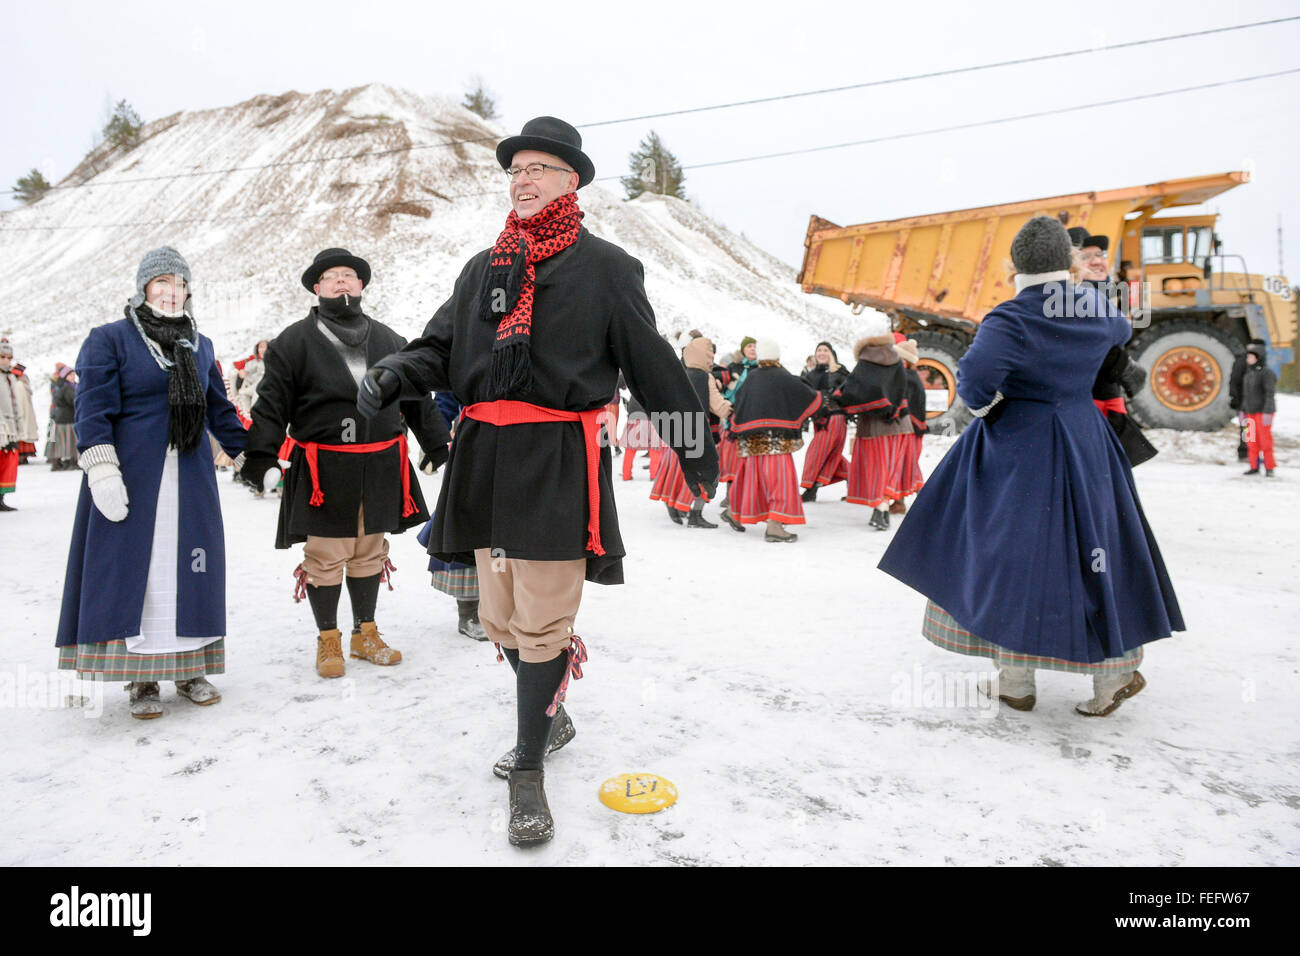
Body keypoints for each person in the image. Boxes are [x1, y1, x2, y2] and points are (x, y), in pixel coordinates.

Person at [357, 115, 717, 847]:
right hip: (484, 456)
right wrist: (397, 373)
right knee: (500, 618)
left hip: (556, 458)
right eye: (514, 169)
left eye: (538, 169)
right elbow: (439, 347)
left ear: (571, 181)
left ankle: (528, 769)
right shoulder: (484, 267)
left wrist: (694, 451)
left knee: (545, 620)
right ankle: (550, 713)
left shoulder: (608, 269)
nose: (521, 179)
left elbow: (652, 368)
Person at [879, 216, 1184, 716]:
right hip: (1087, 441)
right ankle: (1113, 677)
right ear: (1067, 261)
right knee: (1097, 548)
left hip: (1019, 446)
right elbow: (1120, 331)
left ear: (1013, 267)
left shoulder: (1011, 317)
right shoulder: (1093, 305)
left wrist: (995, 407)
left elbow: (975, 384)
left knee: (1009, 553)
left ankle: (1015, 679)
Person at [55, 247, 249, 717]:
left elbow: (219, 410)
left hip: (190, 479)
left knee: (191, 570)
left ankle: (189, 669)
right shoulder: (109, 339)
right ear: (144, 288)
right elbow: (92, 407)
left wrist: (253, 454)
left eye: (179, 283)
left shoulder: (200, 345)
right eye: (161, 282)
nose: (171, 291)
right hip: (131, 477)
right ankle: (139, 678)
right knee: (137, 575)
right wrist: (101, 467)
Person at [238, 249, 449, 679]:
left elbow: (416, 397)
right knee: (327, 554)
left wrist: (436, 443)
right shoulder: (292, 342)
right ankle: (328, 638)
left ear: (362, 286)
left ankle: (365, 634)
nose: (341, 282)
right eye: (332, 277)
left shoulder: (391, 340)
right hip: (323, 468)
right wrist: (260, 456)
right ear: (317, 288)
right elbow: (272, 403)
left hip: (382, 463)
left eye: (349, 276)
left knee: (371, 551)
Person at [721, 339, 822, 542]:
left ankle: (733, 512)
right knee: (780, 482)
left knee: (750, 479)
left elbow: (740, 403)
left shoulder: (751, 378)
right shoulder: (782, 376)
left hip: (750, 440)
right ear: (776, 357)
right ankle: (775, 526)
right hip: (776, 441)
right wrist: (821, 399)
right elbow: (809, 397)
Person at [650, 335, 729, 528]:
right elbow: (719, 407)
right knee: (706, 474)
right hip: (701, 435)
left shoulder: (680, 373)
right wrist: (735, 408)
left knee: (678, 471)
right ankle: (696, 514)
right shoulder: (706, 377)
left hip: (678, 430)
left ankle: (673, 504)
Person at [837, 332, 911, 530]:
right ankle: (884, 507)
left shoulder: (864, 364)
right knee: (891, 469)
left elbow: (851, 391)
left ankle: (881, 508)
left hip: (873, 427)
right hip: (900, 424)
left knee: (876, 469)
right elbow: (903, 391)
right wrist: (892, 408)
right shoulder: (897, 362)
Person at [799, 341, 849, 503]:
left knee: (817, 452)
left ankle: (810, 489)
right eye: (819, 350)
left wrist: (835, 396)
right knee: (831, 455)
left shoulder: (840, 372)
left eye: (825, 350)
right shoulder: (811, 375)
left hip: (835, 418)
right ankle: (854, 478)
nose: (821, 353)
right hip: (819, 420)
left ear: (831, 353)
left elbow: (852, 391)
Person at [888, 335, 926, 514]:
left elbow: (904, 404)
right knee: (906, 466)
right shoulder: (912, 376)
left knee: (905, 465)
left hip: (909, 428)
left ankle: (926, 500)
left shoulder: (906, 377)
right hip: (912, 428)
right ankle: (901, 502)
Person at [0, 338, 35, 510]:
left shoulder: (12, 378)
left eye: (9, 357)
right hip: (2, 429)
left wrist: (19, 427)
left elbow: (16, 405)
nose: (6, 360)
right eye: (2, 356)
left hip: (11, 429)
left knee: (8, 464)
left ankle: (1, 497)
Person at [1240, 343, 1277, 477]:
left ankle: (1269, 467)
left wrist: (1268, 411)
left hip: (1263, 413)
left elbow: (1269, 393)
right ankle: (1254, 466)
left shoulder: (1267, 373)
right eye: (1248, 357)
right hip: (1250, 412)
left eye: (1251, 357)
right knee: (1251, 440)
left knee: (1265, 441)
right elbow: (1246, 394)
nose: (1248, 359)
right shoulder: (1248, 375)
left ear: (1259, 357)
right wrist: (1243, 411)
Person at [1230, 338, 1267, 462]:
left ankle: (1252, 453)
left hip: (1255, 403)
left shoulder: (1258, 362)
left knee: (1253, 429)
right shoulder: (1243, 361)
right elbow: (1234, 381)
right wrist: (1235, 398)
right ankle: (1245, 453)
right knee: (1247, 428)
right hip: (1244, 403)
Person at [49, 364, 79, 471]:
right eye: (70, 375)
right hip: (66, 418)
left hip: (64, 417)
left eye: (73, 374)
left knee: (63, 441)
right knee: (69, 441)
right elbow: (73, 401)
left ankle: (60, 462)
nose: (73, 377)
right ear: (65, 376)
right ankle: (71, 462)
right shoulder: (68, 387)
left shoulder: (69, 386)